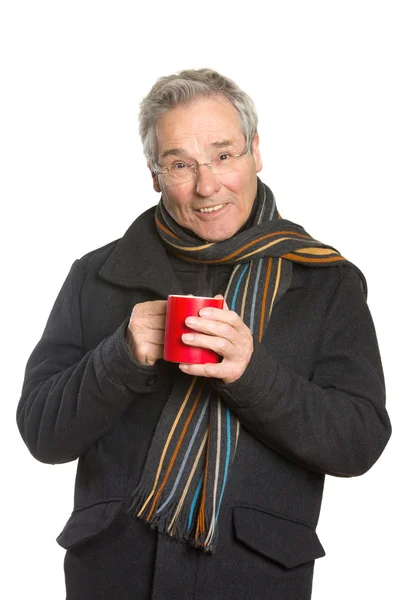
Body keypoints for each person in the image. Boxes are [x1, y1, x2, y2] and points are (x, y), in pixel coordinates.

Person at [17, 68, 391, 600]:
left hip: (253, 580)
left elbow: (359, 442)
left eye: (223, 154)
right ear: (154, 174)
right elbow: (41, 432)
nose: (207, 184)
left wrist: (252, 374)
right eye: (180, 164)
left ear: (256, 152)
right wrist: (119, 358)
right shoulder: (95, 275)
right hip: (113, 576)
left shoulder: (326, 281)